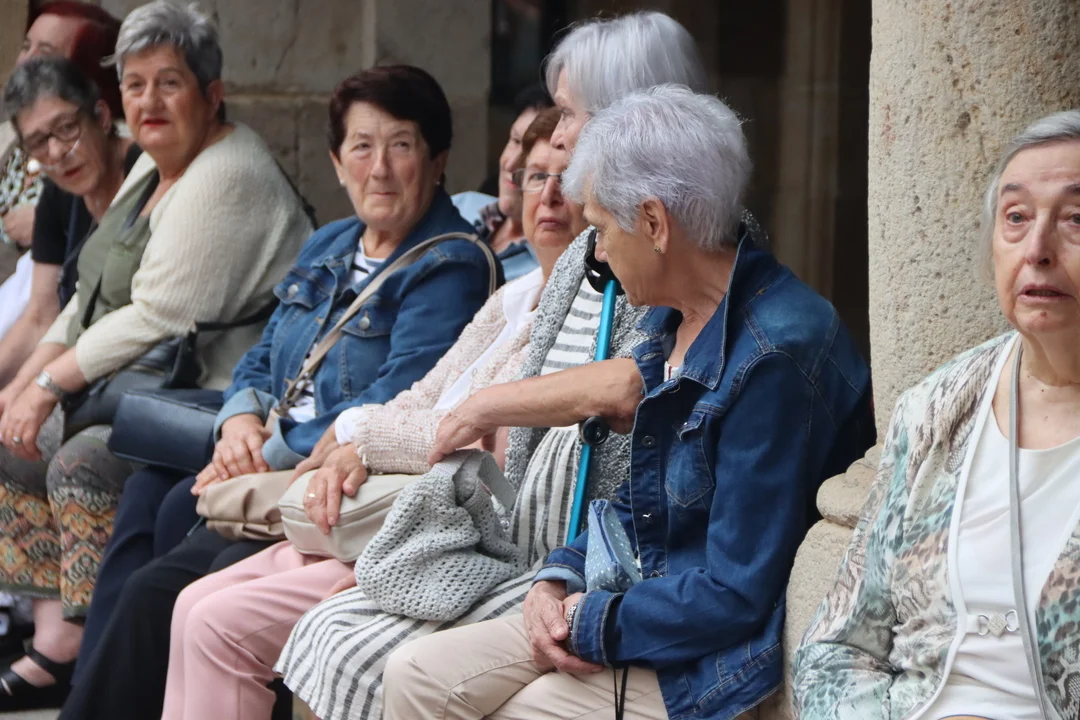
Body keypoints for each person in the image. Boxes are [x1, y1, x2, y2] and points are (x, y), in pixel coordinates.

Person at [274, 12, 723, 720]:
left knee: (368, 654)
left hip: (604, 567)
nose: (560, 134)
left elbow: (639, 387)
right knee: (326, 630)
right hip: (525, 542)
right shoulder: (585, 255)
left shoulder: (677, 250)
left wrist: (481, 411)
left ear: (631, 116)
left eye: (570, 113)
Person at [382, 84, 875, 720]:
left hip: (715, 659)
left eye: (601, 229)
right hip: (642, 603)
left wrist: (592, 621)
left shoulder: (774, 355)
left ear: (653, 223)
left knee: (517, 710)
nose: (598, 253)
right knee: (414, 674)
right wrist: (557, 577)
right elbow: (640, 500)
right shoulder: (673, 321)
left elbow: (735, 594)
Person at [60, 62, 498, 720]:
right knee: (147, 495)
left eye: (401, 145)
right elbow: (265, 356)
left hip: (332, 480)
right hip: (266, 453)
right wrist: (239, 422)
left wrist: (263, 452)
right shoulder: (331, 243)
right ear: (337, 163)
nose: (379, 168)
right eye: (361, 146)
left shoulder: (449, 265)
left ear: (437, 163)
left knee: (164, 570)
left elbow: (394, 397)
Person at [157, 106, 586, 720]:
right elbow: (425, 395)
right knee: (188, 601)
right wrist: (342, 445)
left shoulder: (571, 313)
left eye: (567, 179)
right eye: (535, 176)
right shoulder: (513, 297)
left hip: (442, 529)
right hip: (384, 502)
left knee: (217, 622)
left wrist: (355, 433)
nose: (549, 196)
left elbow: (477, 435)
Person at [0, 0, 313, 709]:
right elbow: (85, 296)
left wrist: (44, 386)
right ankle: (77, 667)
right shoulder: (154, 168)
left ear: (212, 93)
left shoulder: (227, 171)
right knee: (54, 459)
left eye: (169, 83)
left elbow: (158, 313)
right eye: (135, 85)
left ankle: (80, 659)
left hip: (214, 405)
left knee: (84, 463)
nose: (148, 101)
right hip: (151, 399)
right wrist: (25, 385)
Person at [794, 109, 1080, 720]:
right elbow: (834, 648)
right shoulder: (936, 408)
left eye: (1076, 219)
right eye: (1016, 217)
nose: (1037, 250)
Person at [0, 55, 137, 403]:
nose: (57, 152)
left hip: (138, 376)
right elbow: (40, 316)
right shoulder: (57, 195)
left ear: (101, 117)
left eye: (66, 128)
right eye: (38, 142)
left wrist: (34, 390)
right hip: (72, 374)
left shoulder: (146, 174)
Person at [0, 2, 122, 333]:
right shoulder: (10, 135)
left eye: (45, 53)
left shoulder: (106, 156)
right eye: (25, 46)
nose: (26, 62)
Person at [454, 84, 554, 281]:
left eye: (531, 153)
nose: (510, 164)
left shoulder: (545, 272)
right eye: (515, 141)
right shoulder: (458, 207)